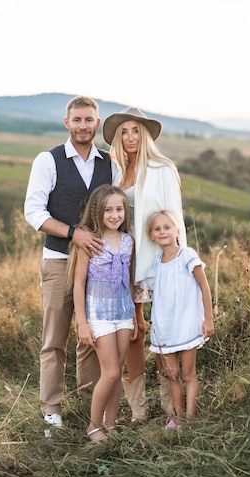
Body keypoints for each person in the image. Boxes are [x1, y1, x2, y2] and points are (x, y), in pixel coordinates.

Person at [24, 95, 118, 437]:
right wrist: (73, 234)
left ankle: (89, 406)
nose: (82, 126)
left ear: (97, 123)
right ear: (67, 123)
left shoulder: (110, 163)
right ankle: (51, 412)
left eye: (88, 120)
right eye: (76, 120)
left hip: (100, 267)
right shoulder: (48, 161)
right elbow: (34, 212)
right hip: (59, 262)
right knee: (54, 339)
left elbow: (118, 211)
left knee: (93, 337)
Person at [102, 107, 187, 422]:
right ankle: (138, 408)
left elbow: (173, 219)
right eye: (123, 132)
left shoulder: (162, 169)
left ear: (146, 134)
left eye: (135, 130)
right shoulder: (116, 173)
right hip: (124, 261)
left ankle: (171, 406)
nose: (129, 137)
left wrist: (178, 262)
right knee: (134, 332)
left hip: (157, 260)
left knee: (164, 328)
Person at [67, 184, 137, 442]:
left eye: (119, 209)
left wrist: (135, 317)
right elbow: (78, 284)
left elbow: (128, 279)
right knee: (108, 372)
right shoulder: (90, 242)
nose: (115, 215)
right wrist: (82, 323)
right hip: (99, 313)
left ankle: (111, 423)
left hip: (123, 311)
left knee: (117, 372)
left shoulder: (129, 241)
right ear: (98, 212)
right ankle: (94, 426)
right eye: (108, 210)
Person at [147, 210, 214, 428]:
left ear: (177, 230)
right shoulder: (157, 262)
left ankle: (190, 419)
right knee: (171, 374)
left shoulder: (187, 255)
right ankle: (177, 417)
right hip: (166, 328)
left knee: (188, 373)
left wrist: (208, 319)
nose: (162, 231)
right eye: (157, 229)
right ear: (152, 236)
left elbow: (204, 287)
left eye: (167, 227)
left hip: (186, 325)